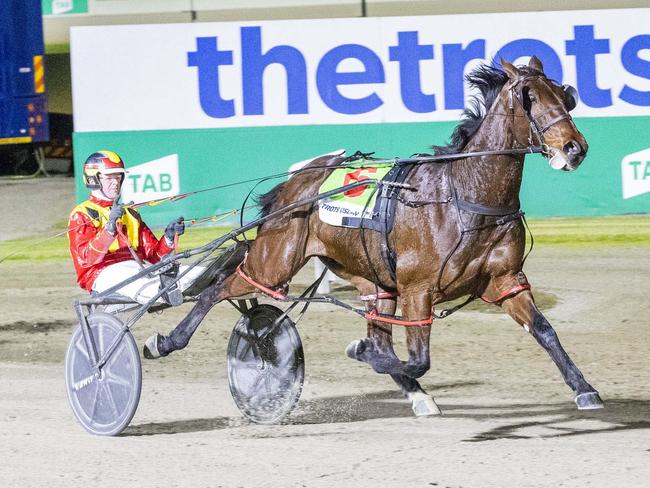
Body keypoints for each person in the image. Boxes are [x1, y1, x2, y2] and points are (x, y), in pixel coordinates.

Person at [67, 150, 203, 305]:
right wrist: (109, 229)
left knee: (198, 272)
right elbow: (86, 259)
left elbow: (153, 256)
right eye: (110, 178)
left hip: (137, 268)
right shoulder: (81, 214)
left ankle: (174, 287)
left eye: (118, 177)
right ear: (93, 179)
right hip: (101, 273)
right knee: (150, 284)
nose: (115, 183)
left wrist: (168, 238)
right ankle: (165, 291)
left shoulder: (131, 213)